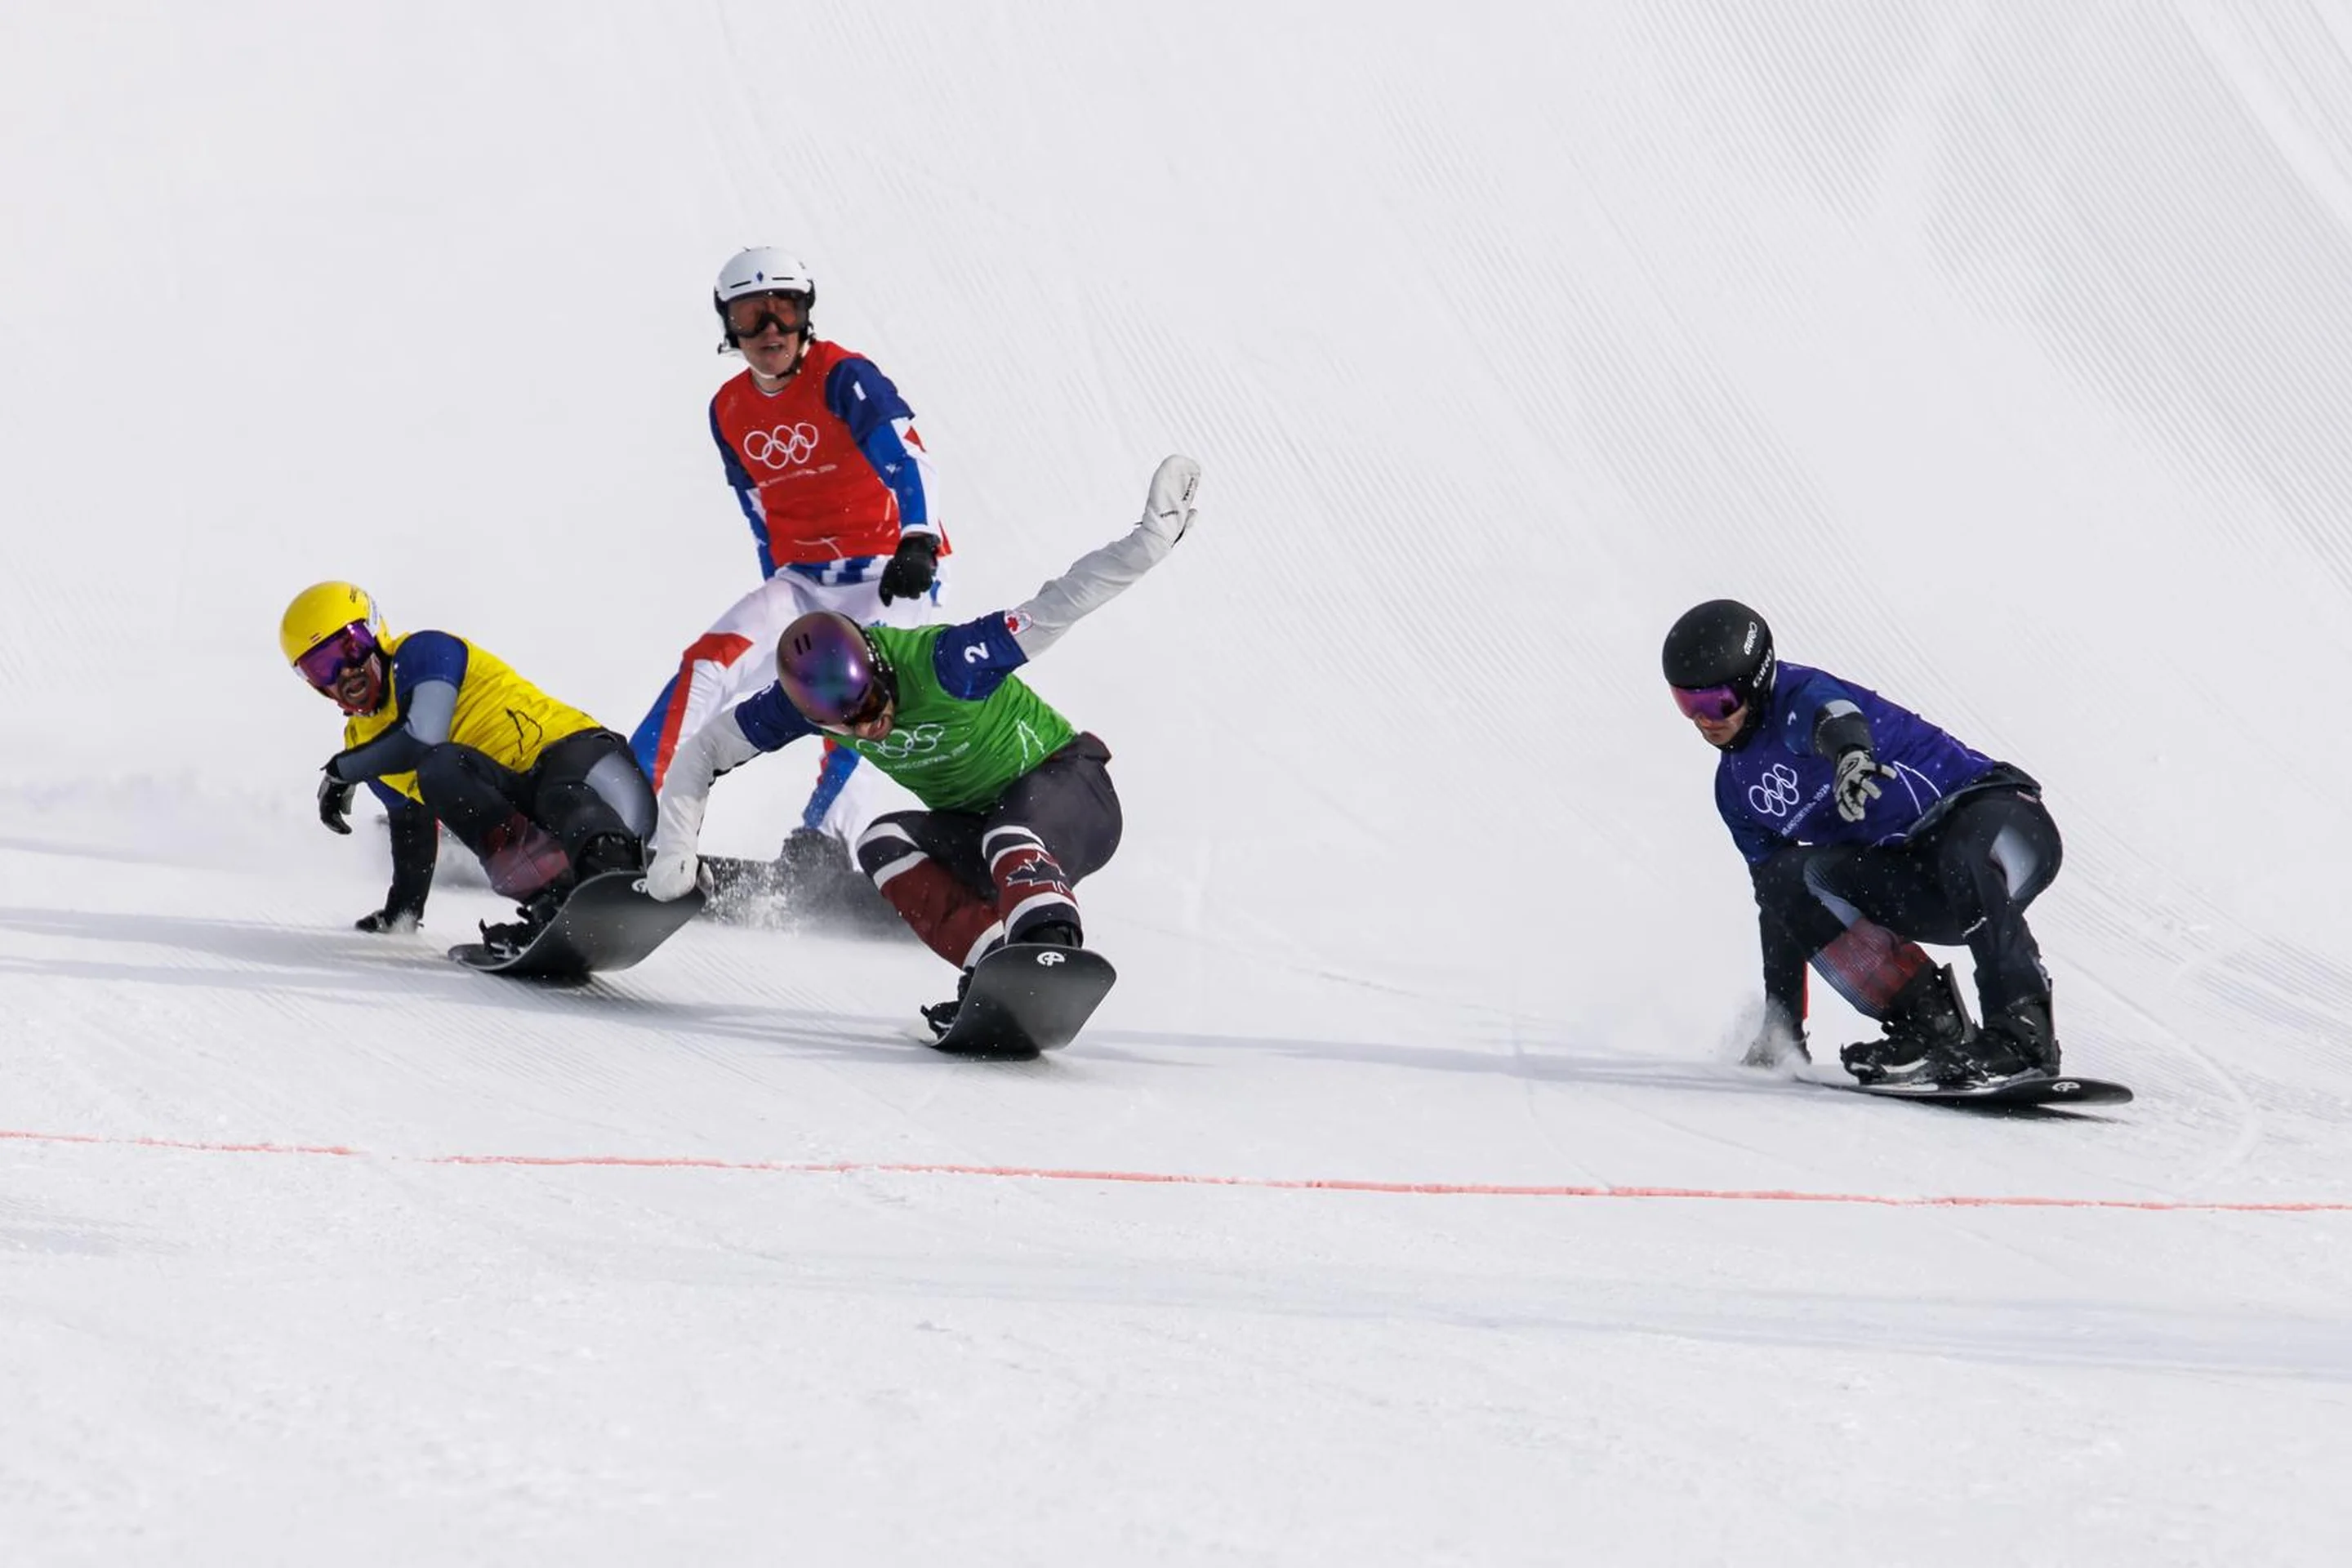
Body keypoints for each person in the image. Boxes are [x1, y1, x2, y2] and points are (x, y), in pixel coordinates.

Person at [642, 455, 1200, 1034]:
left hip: (1074, 794)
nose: (866, 727)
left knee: (1011, 830)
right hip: (988, 833)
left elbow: (1061, 602)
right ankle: (993, 967)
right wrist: (675, 845)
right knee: (882, 840)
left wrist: (1149, 543)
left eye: (870, 706)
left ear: (879, 668)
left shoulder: (947, 663)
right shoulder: (798, 705)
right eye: (845, 724)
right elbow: (705, 751)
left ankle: (1047, 943)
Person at [1661, 599, 2065, 1087]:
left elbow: (1834, 716)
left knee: (1964, 848)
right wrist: (1781, 1024)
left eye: (1717, 703)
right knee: (1782, 880)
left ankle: (2023, 1035)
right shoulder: (1735, 791)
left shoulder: (1798, 696)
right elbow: (1780, 905)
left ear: (1756, 679)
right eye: (1689, 705)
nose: (1705, 720)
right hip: (1929, 884)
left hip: (2008, 824)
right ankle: (1929, 1021)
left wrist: (1851, 755)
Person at [631, 246, 951, 862]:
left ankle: (824, 838)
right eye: (751, 315)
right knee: (709, 663)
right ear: (729, 325)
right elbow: (758, 510)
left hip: (892, 573)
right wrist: (771, 590)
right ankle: (630, 803)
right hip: (805, 580)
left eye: (784, 310)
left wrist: (918, 538)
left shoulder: (842, 376)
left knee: (864, 692)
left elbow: (907, 457)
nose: (769, 330)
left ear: (807, 316)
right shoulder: (728, 409)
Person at [280, 581, 655, 953]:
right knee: (440, 773)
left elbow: (421, 736)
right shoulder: (366, 746)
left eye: (351, 646)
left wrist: (343, 771)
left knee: (546, 789)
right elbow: (412, 828)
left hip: (603, 779)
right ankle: (556, 901)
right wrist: (402, 914)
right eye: (323, 667)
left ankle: (610, 865)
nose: (345, 671)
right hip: (549, 831)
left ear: (375, 631)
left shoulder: (423, 651)